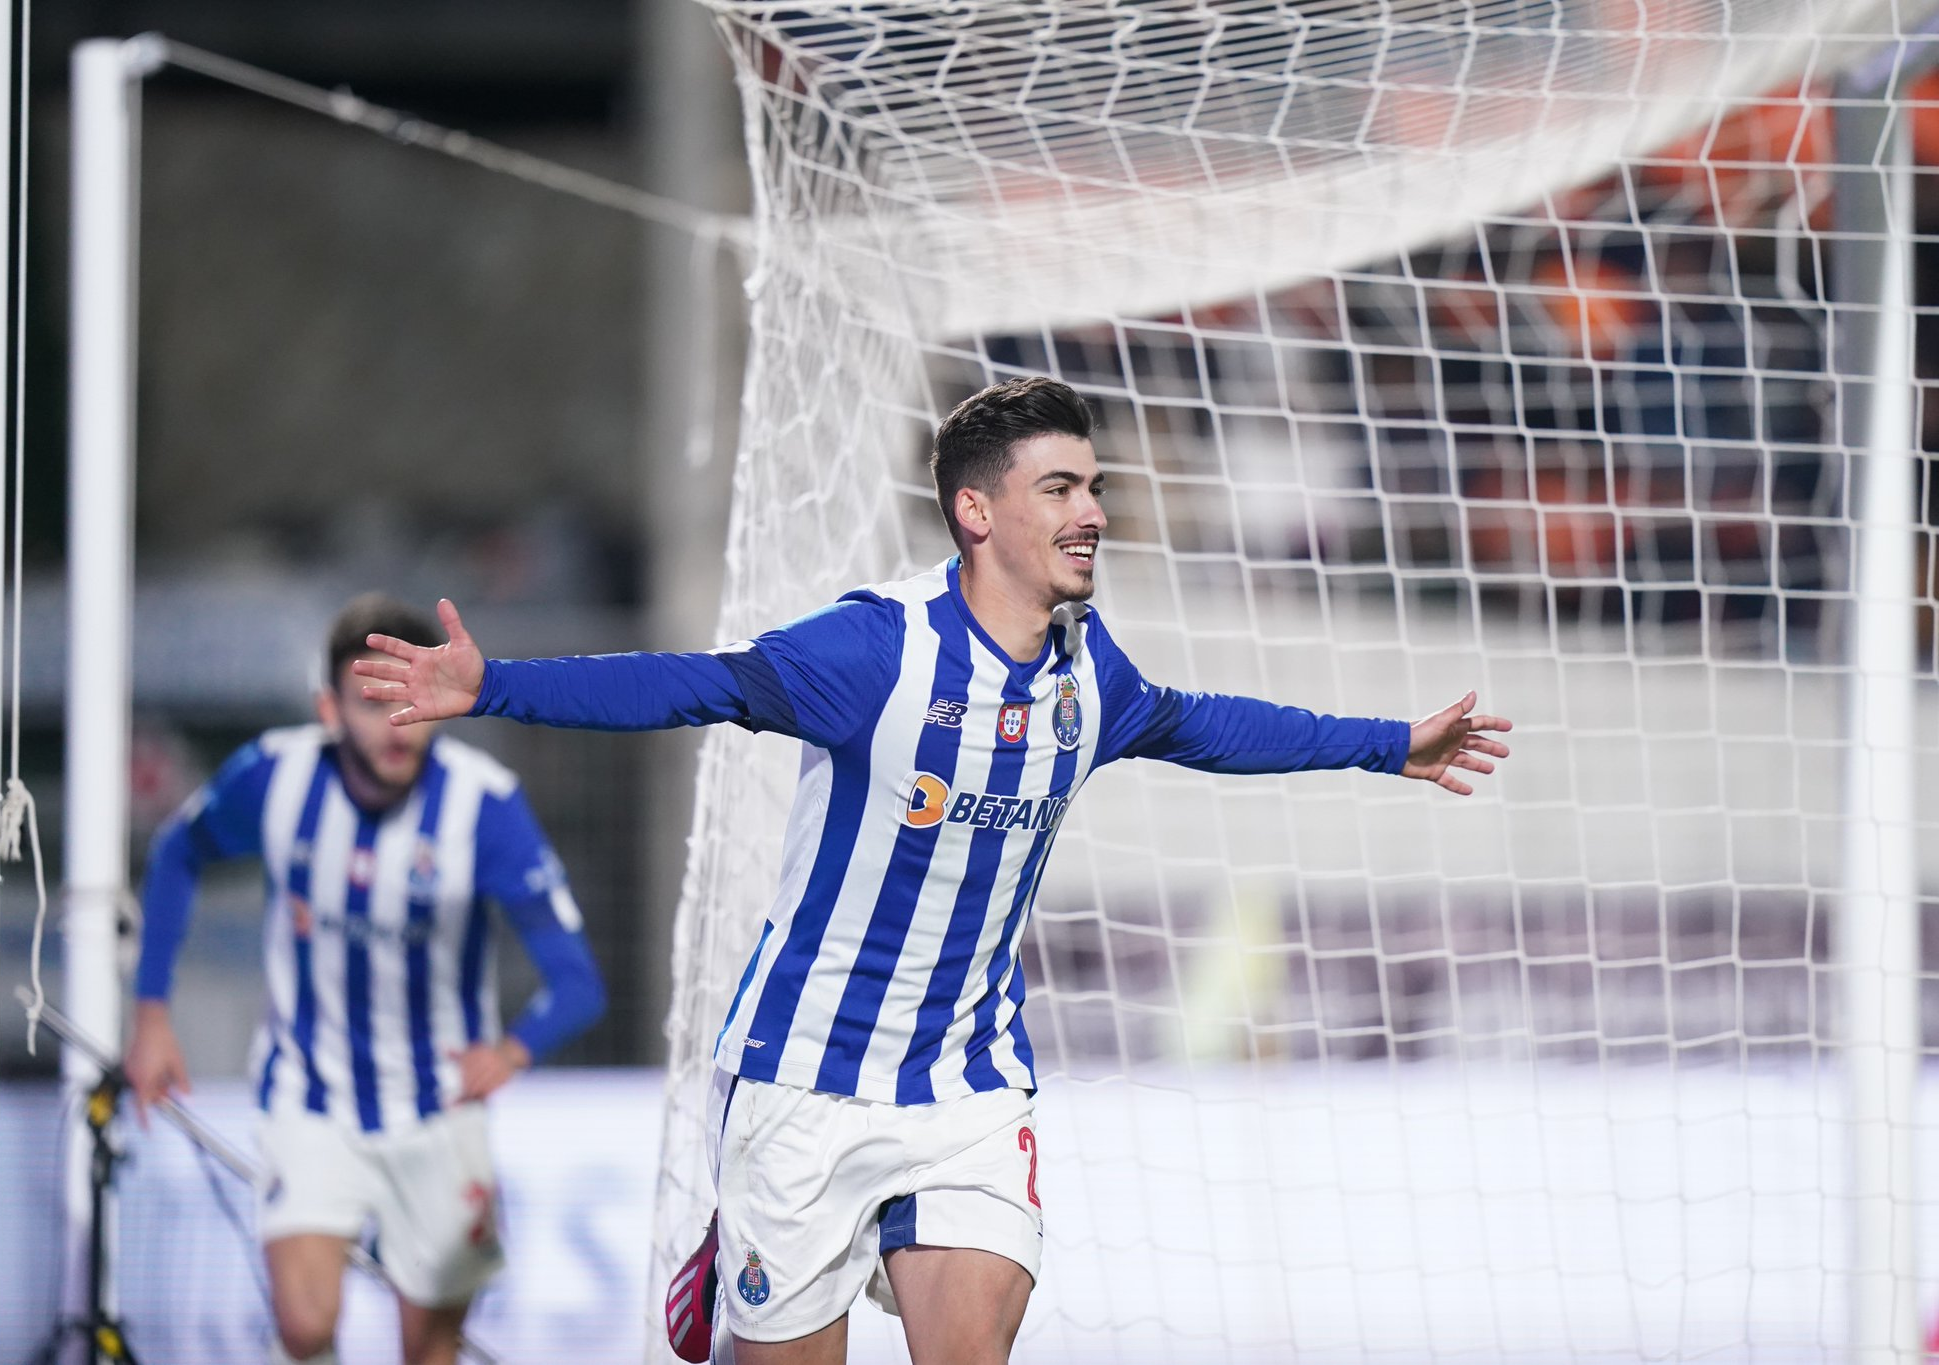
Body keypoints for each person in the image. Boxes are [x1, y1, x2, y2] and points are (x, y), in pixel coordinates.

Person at [356, 378, 1512, 1365]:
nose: (1091, 513)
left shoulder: (1087, 671)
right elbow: (688, 684)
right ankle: (726, 1258)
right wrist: (493, 685)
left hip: (965, 1084)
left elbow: (1201, 724)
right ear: (975, 511)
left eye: (1093, 487)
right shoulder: (873, 651)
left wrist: (1386, 745)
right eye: (1058, 489)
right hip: (802, 1080)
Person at [124, 593, 608, 1365]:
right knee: (305, 1323)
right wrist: (151, 1013)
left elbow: (577, 980)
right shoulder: (276, 777)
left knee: (429, 1349)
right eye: (372, 702)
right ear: (328, 708)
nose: (397, 724)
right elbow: (178, 850)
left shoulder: (484, 806)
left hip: (439, 1111)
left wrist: (513, 1050)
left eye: (410, 697)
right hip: (309, 1096)